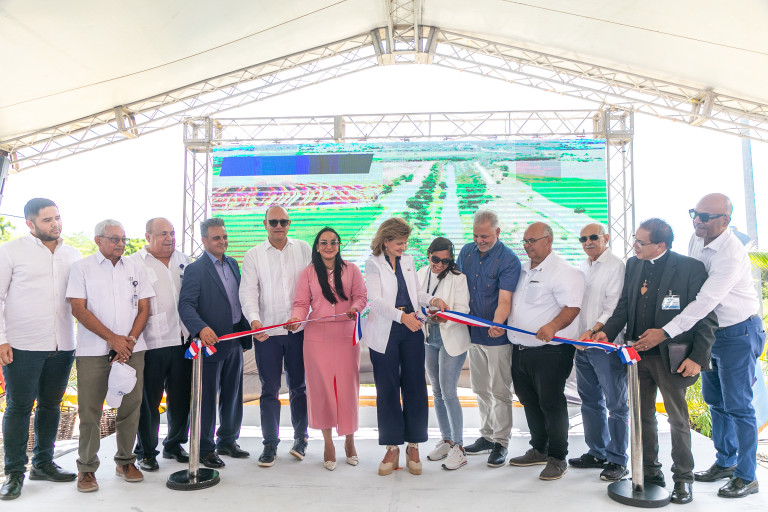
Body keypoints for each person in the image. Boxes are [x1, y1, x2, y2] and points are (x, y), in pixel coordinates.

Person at [647, 193, 763, 498]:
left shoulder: (730, 254)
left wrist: (665, 332)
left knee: (738, 406)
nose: (697, 221)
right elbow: (690, 284)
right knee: (716, 401)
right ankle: (725, 462)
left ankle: (747, 476)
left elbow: (704, 301)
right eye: (694, 214)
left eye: (705, 217)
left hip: (738, 333)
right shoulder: (696, 238)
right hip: (711, 334)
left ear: (725, 220)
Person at [594, 218, 717, 504]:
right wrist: (606, 332)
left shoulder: (690, 268)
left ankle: (683, 479)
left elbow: (707, 316)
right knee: (642, 417)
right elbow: (624, 306)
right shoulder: (634, 265)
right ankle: (650, 473)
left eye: (641, 242)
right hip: (637, 357)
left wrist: (698, 358)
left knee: (677, 420)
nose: (635, 246)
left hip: (672, 357)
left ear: (661, 245)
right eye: (635, 240)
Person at [0, 198, 80, 500]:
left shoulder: (72, 254)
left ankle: (43, 463)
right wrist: (1, 339)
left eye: (57, 217)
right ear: (30, 224)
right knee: (19, 408)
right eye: (47, 220)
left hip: (63, 344)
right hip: (23, 345)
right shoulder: (10, 251)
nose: (55, 224)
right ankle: (14, 473)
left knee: (51, 405)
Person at [66, 219, 154, 492]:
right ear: (98, 240)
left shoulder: (136, 267)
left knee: (131, 406)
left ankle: (126, 461)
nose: (121, 244)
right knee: (90, 410)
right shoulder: (82, 268)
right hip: (93, 351)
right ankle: (86, 468)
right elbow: (78, 309)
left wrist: (129, 342)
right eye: (115, 239)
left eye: (123, 239)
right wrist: (112, 339)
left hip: (132, 349)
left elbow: (144, 309)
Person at [364, 217, 448, 476]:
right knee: (387, 389)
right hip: (386, 330)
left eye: (405, 242)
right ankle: (392, 447)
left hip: (411, 328)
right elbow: (375, 301)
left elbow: (416, 294)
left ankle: (413, 445)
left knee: (415, 387)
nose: (404, 247)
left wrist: (432, 299)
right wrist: (402, 317)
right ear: (385, 241)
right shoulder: (373, 263)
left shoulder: (409, 260)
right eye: (399, 243)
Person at [506, 222, 584, 481]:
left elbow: (572, 308)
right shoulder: (522, 269)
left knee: (551, 403)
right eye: (525, 241)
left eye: (533, 241)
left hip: (551, 351)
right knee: (529, 400)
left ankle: (558, 457)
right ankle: (539, 449)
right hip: (520, 349)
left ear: (549, 240)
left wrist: (552, 326)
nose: (527, 246)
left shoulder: (563, 271)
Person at [286, 227, 367, 471]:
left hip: (345, 336)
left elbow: (361, 296)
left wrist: (355, 308)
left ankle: (350, 440)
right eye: (324, 242)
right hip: (316, 337)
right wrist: (296, 319)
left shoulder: (352, 270)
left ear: (339, 245)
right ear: (317, 247)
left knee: (347, 389)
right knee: (321, 390)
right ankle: (328, 443)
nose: (329, 246)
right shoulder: (308, 273)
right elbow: (301, 303)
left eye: (333, 242)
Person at [239, 206, 311, 467]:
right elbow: (248, 292)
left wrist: (305, 316)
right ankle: (270, 444)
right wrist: (254, 322)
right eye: (273, 222)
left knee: (299, 388)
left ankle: (301, 439)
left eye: (283, 221)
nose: (279, 226)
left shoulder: (303, 248)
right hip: (266, 334)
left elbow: (313, 286)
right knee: (269, 390)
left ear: (289, 223)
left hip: (298, 332)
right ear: (265, 224)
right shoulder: (253, 255)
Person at [178, 217, 252, 469]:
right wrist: (201, 328)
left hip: (234, 340)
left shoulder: (232, 263)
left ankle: (228, 441)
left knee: (233, 394)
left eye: (224, 237)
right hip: (210, 344)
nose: (222, 241)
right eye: (216, 238)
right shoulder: (195, 270)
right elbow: (185, 305)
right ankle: (205, 448)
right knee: (207, 398)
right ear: (204, 240)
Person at [457, 210, 521, 467]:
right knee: (480, 388)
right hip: (472, 334)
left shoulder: (509, 260)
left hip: (497, 338)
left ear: (498, 232)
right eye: (476, 235)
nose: (479, 240)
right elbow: (458, 288)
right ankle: (486, 436)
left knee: (500, 391)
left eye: (485, 236)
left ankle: (501, 442)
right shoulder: (466, 252)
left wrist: (498, 323)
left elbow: (505, 300)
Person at [131, 218, 192, 471]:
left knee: (181, 398)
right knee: (149, 402)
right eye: (163, 234)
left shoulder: (184, 260)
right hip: (150, 343)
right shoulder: (134, 263)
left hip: (183, 341)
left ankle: (174, 444)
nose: (169, 238)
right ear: (148, 237)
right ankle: (146, 452)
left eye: (172, 233)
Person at [568, 223, 629, 481]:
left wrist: (593, 331)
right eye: (583, 239)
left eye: (593, 237)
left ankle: (618, 460)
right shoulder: (582, 267)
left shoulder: (616, 266)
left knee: (616, 405)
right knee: (590, 401)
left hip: (605, 345)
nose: (588, 242)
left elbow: (613, 307)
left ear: (606, 238)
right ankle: (597, 452)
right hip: (582, 346)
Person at [418, 237, 471, 471]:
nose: (439, 264)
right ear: (428, 255)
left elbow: (463, 311)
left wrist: (443, 317)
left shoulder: (459, 278)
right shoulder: (420, 273)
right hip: (429, 338)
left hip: (452, 338)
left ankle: (459, 447)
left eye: (446, 261)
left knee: (449, 392)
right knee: (437, 392)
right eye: (435, 259)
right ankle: (446, 440)